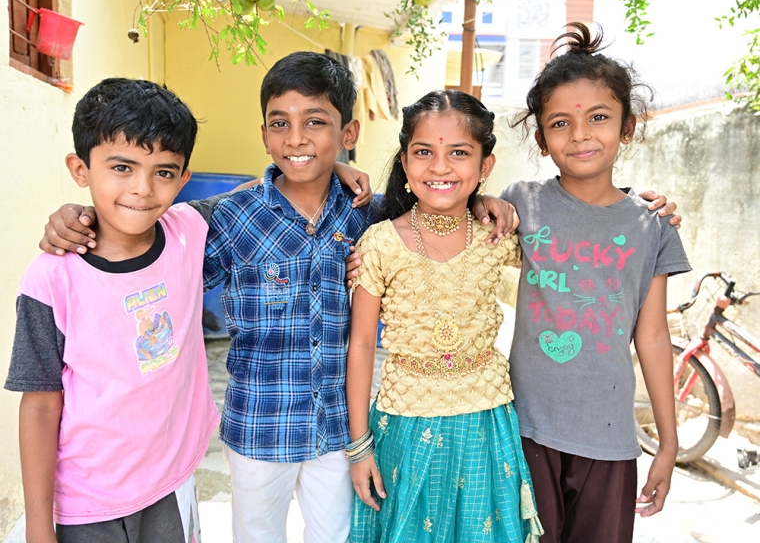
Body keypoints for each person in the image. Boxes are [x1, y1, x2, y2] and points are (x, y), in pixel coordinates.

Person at [37, 54, 523, 543]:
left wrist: (482, 201)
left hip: (337, 431)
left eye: (316, 122)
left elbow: (434, 204)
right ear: (265, 133)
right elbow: (149, 235)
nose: (296, 138)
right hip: (258, 427)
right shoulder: (232, 217)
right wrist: (81, 218)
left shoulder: (369, 216)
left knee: (336, 536)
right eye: (280, 123)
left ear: (348, 133)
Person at [4, 78, 219, 542]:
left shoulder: (188, 231)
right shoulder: (51, 278)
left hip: (170, 483)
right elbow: (39, 406)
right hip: (88, 504)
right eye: (122, 166)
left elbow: (267, 196)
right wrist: (39, 529)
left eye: (164, 172)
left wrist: (335, 171)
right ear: (80, 169)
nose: (142, 189)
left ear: (183, 179)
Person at [502, 23, 692, 543]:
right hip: (523, 431)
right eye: (560, 123)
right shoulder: (520, 201)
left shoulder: (651, 225)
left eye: (599, 117)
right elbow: (441, 213)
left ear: (627, 127)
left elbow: (651, 337)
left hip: (608, 440)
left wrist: (668, 444)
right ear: (542, 139)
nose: (581, 134)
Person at [347, 89, 544, 542]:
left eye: (459, 153)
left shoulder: (498, 239)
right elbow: (360, 345)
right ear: (404, 162)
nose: (439, 167)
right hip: (404, 423)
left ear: (485, 166)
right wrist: (359, 448)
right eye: (424, 152)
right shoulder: (379, 243)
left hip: (485, 420)